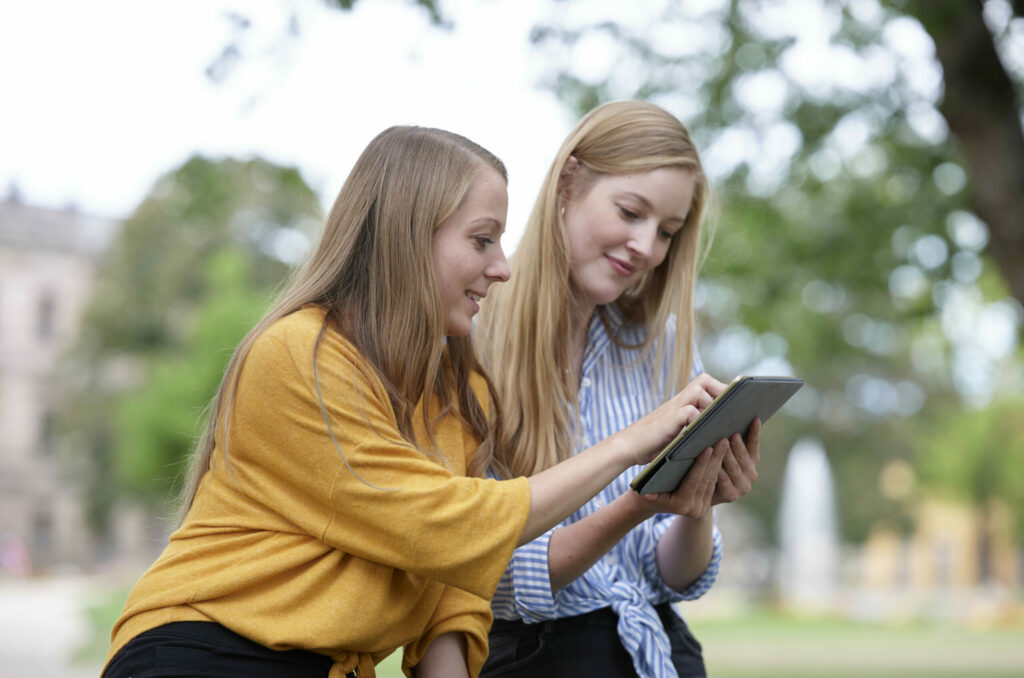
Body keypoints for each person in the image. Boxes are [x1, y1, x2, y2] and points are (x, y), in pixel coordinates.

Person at [101, 125, 721, 678]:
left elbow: (453, 595)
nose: (502, 267)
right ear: (405, 235)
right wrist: (631, 446)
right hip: (210, 648)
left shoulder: (463, 397)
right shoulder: (300, 354)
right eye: (482, 240)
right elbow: (446, 526)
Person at [474, 101, 762, 678]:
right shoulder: (473, 335)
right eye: (631, 212)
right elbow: (489, 575)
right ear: (568, 182)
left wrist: (695, 505)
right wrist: (635, 504)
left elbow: (678, 577)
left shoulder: (661, 344)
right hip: (534, 655)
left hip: (659, 648)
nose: (647, 247)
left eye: (667, 232)